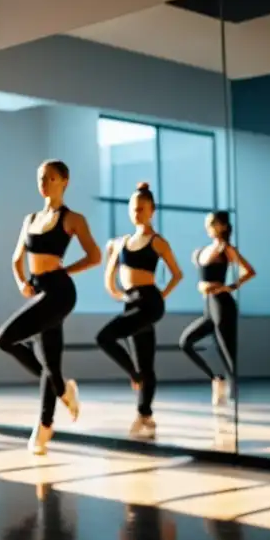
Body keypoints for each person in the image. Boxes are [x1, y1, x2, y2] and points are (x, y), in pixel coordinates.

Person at [0, 161, 102, 456]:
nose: (44, 182)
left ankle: (61, 388)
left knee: (4, 339)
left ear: (64, 181)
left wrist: (66, 271)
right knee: (50, 359)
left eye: (51, 178)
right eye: (41, 177)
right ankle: (45, 426)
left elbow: (95, 256)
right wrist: (20, 282)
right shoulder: (30, 218)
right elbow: (17, 259)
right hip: (38, 291)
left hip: (60, 293)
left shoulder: (72, 219)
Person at [96, 182, 183, 438]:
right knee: (145, 363)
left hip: (150, 301)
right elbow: (109, 274)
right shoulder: (121, 242)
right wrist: (116, 292)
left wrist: (160, 297)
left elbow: (177, 275)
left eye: (142, 208)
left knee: (105, 337)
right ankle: (145, 415)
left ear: (151, 210)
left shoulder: (158, 242)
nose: (137, 212)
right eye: (133, 208)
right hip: (131, 301)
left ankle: (135, 379)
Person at [179, 211, 256, 406]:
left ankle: (233, 398)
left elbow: (249, 271)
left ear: (222, 226)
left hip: (223, 304)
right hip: (209, 307)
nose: (208, 227)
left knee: (227, 352)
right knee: (185, 342)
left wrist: (229, 287)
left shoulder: (226, 249)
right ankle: (216, 379)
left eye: (212, 224)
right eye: (207, 224)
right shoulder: (203, 250)